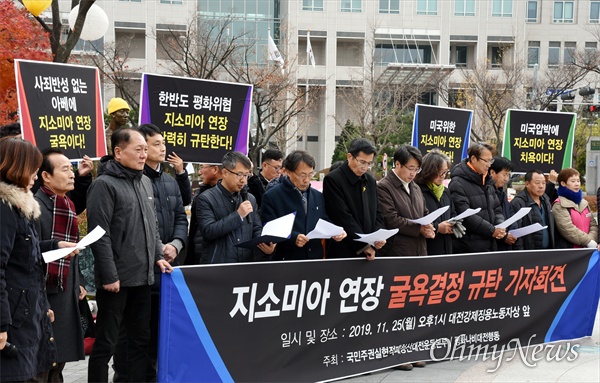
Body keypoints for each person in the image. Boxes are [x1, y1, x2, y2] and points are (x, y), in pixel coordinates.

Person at [86, 128, 173, 383]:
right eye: (138, 149)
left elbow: (152, 225)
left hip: (143, 277)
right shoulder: (103, 185)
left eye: (145, 149)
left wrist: (158, 255)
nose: (144, 155)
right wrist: (110, 276)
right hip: (115, 282)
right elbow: (99, 234)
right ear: (118, 152)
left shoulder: (144, 181)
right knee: (106, 344)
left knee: (140, 341)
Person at [112, 124, 189, 382]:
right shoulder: (133, 179)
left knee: (157, 329)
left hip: (167, 265)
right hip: (140, 268)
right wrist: (157, 248)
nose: (161, 148)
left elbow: (181, 216)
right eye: (154, 144)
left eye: (161, 143)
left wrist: (176, 244)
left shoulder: (169, 180)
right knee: (133, 332)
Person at [0, 138, 76, 382]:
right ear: (17, 166)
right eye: (33, 167)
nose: (35, 174)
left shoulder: (21, 207)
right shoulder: (5, 208)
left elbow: (25, 257)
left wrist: (54, 245)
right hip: (12, 318)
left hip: (25, 313)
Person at [34, 149, 87, 382]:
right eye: (65, 169)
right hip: (44, 292)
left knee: (59, 362)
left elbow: (71, 251)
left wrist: (79, 282)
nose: (71, 174)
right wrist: (57, 246)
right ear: (46, 176)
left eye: (71, 168)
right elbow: (31, 252)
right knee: (42, 364)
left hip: (65, 289)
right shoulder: (35, 206)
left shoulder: (66, 204)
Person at [261, 150, 346, 260]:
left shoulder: (317, 196)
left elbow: (324, 220)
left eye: (310, 175)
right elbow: (269, 229)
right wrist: (293, 238)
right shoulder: (272, 196)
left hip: (314, 260)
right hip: (287, 260)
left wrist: (336, 232)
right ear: (288, 172)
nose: (306, 180)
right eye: (302, 175)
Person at [197, 151, 276, 264]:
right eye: (239, 175)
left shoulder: (250, 199)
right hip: (218, 266)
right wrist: (238, 215)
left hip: (245, 265)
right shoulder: (206, 198)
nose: (243, 180)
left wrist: (266, 245)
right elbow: (208, 231)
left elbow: (256, 228)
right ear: (225, 172)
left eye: (246, 175)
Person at [0, 122, 94, 213]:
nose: (26, 149)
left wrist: (82, 178)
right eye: (18, 145)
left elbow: (73, 205)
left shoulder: (34, 192)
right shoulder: (5, 207)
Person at [323, 138, 385, 260]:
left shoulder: (370, 181)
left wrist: (377, 238)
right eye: (362, 162)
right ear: (350, 157)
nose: (365, 167)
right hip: (344, 250)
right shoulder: (333, 179)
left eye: (369, 163)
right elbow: (342, 217)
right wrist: (363, 245)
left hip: (370, 249)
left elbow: (377, 212)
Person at [378, 145, 434, 257]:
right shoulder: (384, 187)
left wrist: (429, 226)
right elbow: (391, 219)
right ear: (398, 164)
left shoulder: (416, 187)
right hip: (398, 252)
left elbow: (424, 213)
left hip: (420, 251)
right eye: (411, 168)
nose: (413, 173)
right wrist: (419, 229)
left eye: (417, 169)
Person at [448, 142, 505, 253]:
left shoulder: (487, 181)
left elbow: (497, 208)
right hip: (468, 247)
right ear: (473, 158)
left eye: (491, 160)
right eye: (486, 161)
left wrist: (500, 225)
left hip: (490, 243)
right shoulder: (458, 182)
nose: (489, 165)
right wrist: (492, 230)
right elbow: (465, 214)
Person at [415, 149, 456, 256]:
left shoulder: (446, 191)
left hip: (446, 248)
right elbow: (415, 221)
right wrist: (438, 227)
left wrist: (454, 224)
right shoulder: (417, 191)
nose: (443, 176)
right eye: (440, 172)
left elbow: (453, 213)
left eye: (446, 172)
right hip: (427, 249)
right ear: (429, 171)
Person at [185, 163, 223, 265]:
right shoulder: (200, 193)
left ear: (215, 169)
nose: (199, 172)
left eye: (202, 167)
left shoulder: (231, 196)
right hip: (198, 254)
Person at [553, 168, 598, 249]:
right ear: (563, 183)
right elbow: (567, 229)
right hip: (570, 252)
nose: (577, 184)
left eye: (578, 181)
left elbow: (593, 225)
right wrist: (588, 241)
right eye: (573, 181)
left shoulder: (584, 203)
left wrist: (591, 240)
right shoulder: (559, 204)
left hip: (588, 250)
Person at [511, 170, 556, 250]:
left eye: (543, 183)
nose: (541, 186)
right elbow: (516, 232)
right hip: (529, 253)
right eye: (537, 183)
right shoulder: (518, 202)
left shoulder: (545, 199)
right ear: (527, 184)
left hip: (548, 252)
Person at [489, 157, 521, 251]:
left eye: (508, 175)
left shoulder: (502, 194)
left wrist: (513, 233)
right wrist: (504, 236)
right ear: (492, 173)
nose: (506, 179)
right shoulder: (485, 193)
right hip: (493, 245)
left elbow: (510, 215)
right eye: (504, 175)